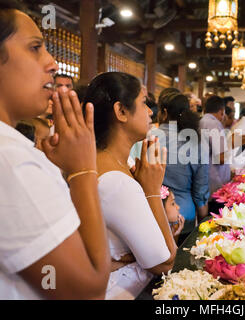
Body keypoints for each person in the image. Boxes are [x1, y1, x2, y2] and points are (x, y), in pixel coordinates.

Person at [0, 2, 110, 299]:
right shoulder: (9, 158)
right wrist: (83, 170)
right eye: (35, 47)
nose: (52, 63)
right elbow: (87, 293)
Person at [83, 72, 177, 300]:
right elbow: (164, 261)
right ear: (121, 111)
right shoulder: (116, 181)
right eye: (144, 103)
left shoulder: (105, 161)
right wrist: (152, 192)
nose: (150, 112)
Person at [157, 92, 209, 242]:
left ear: (164, 112)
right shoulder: (195, 141)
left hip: (151, 214)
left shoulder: (147, 137)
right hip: (184, 214)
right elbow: (201, 190)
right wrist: (203, 222)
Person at [199, 95, 230, 196]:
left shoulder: (201, 121)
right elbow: (221, 158)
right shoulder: (214, 123)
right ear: (222, 111)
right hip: (214, 180)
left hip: (204, 176)